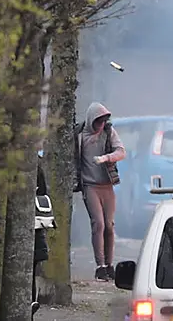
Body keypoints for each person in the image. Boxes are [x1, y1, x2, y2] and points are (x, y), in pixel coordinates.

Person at [74, 102, 125, 281]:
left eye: (103, 122)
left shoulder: (109, 132)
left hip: (107, 184)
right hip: (90, 185)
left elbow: (121, 151)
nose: (100, 126)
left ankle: (110, 264)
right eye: (97, 122)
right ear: (91, 121)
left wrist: (106, 158)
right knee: (98, 224)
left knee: (109, 225)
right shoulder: (80, 135)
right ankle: (100, 265)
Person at [33, 153, 49, 317]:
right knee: (31, 269)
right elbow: (44, 192)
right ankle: (31, 300)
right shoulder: (35, 162)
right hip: (36, 229)